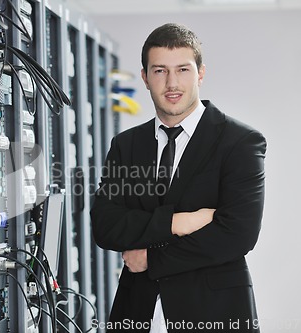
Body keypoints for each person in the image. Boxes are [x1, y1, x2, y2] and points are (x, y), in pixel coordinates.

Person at [90, 23, 266, 333]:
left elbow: (238, 234)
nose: (172, 82)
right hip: (137, 312)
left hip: (215, 313)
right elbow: (106, 226)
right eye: (159, 71)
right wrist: (178, 222)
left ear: (200, 73)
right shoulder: (126, 145)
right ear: (145, 77)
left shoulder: (240, 142)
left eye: (183, 69)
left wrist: (151, 259)